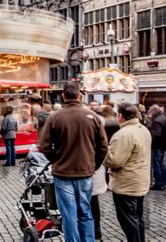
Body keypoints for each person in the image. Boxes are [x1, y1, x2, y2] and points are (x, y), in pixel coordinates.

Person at [40, 81, 108, 242]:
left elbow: (44, 146)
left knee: (69, 214)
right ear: (80, 95)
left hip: (63, 173)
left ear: (63, 96)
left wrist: (56, 160)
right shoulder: (93, 117)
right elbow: (103, 147)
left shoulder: (54, 117)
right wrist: (93, 165)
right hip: (85, 172)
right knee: (85, 211)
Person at [104, 103, 152, 242]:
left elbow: (114, 161)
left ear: (120, 115)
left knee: (129, 221)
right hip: (139, 181)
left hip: (127, 184)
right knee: (137, 218)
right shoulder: (142, 129)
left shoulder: (123, 134)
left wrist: (104, 152)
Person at [147, 105, 166, 190]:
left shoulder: (157, 121)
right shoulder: (163, 117)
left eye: (150, 111)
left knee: (156, 164)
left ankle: (159, 184)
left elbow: (156, 134)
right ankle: (163, 181)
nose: (149, 113)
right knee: (161, 164)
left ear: (153, 111)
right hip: (162, 144)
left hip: (157, 145)